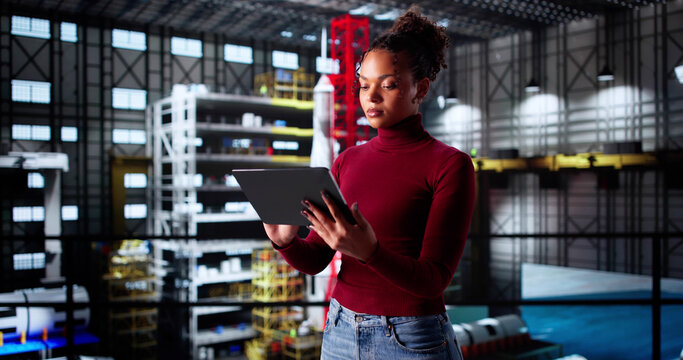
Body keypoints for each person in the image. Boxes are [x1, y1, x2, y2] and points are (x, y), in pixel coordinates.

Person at [263, 6, 476, 359]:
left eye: (388, 85)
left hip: (412, 338)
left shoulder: (450, 164)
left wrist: (371, 253)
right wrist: (285, 243)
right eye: (364, 86)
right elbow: (317, 257)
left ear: (419, 88)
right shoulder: (347, 161)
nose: (371, 98)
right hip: (341, 330)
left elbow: (434, 280)